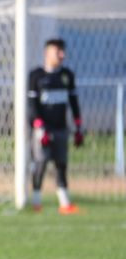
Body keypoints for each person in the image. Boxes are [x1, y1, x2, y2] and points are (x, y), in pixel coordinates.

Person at [28, 38, 84, 214]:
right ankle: (36, 202)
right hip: (42, 129)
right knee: (41, 163)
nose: (62, 55)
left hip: (61, 128)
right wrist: (39, 127)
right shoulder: (36, 76)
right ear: (47, 53)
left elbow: (74, 102)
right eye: (58, 51)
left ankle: (65, 204)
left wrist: (78, 127)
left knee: (61, 164)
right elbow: (32, 105)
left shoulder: (67, 76)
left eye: (62, 51)